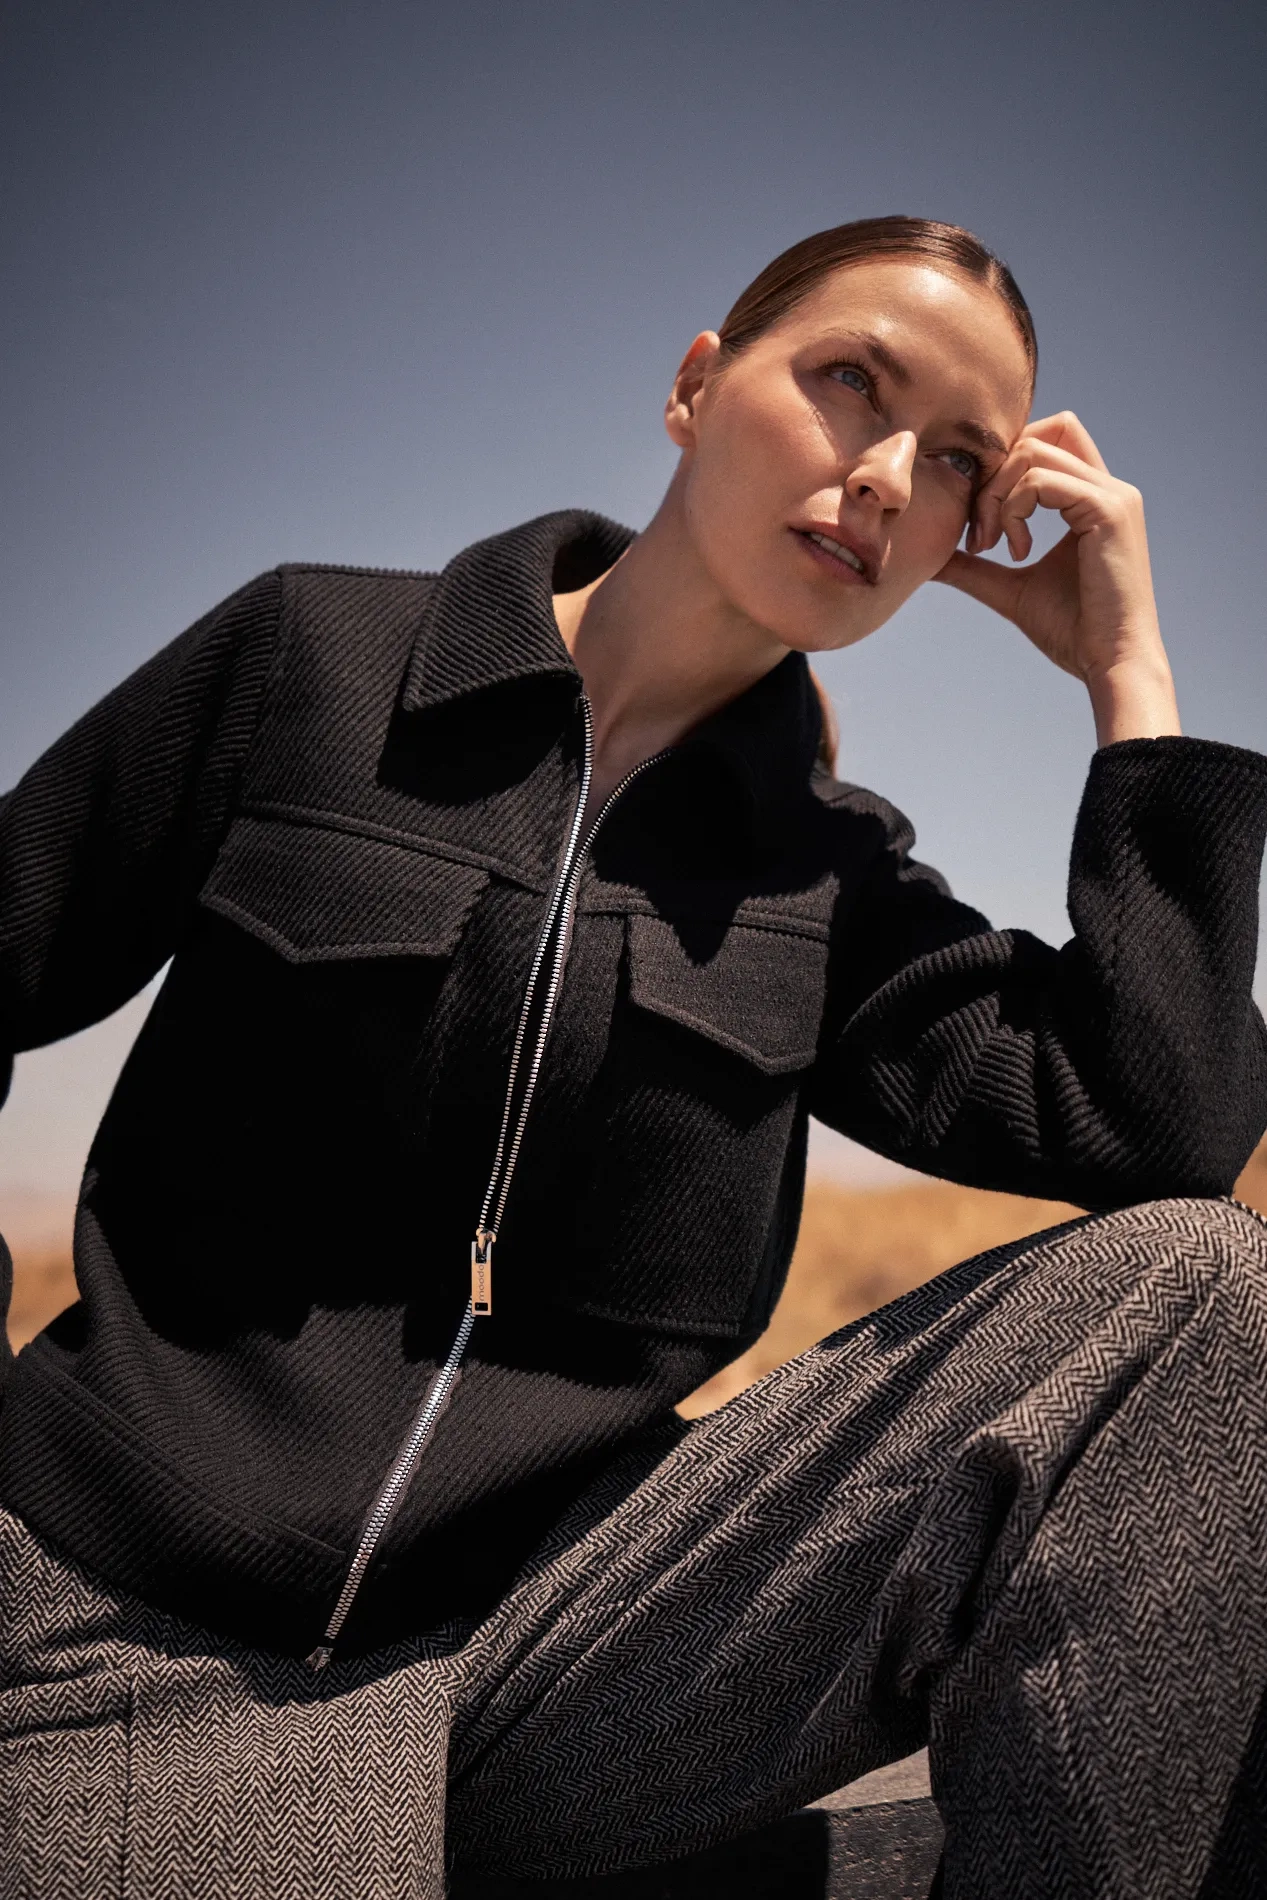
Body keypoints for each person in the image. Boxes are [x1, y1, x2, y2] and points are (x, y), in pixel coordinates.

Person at [2, 215, 1266, 1898]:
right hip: (112, 1626)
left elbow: (1157, 1129)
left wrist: (1127, 675)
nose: (886, 477)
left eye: (958, 460)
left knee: (1196, 1293)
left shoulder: (828, 874)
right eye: (849, 383)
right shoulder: (317, 660)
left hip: (546, 1657)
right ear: (694, 386)